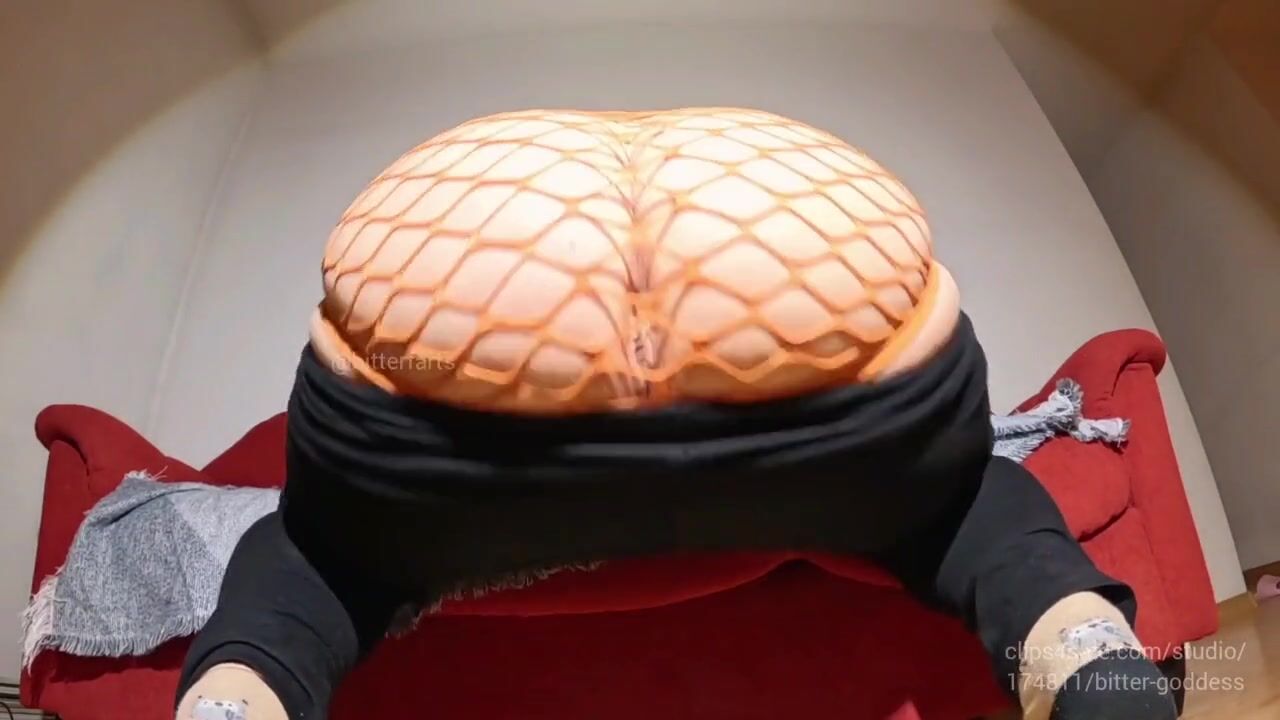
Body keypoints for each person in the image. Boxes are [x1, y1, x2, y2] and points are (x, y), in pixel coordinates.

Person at [175, 108, 1178, 720]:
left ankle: (232, 709)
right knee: (967, 508)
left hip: (437, 413)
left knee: (313, 561)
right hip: (849, 395)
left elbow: (319, 555)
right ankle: (1093, 672)